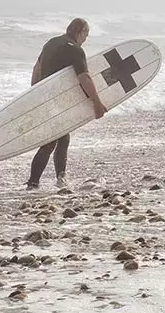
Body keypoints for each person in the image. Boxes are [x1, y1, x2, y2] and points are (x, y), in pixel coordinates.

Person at [25, 17, 107, 189]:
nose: (86, 39)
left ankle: (61, 179)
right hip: (57, 100)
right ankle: (33, 183)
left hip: (45, 97)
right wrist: (97, 103)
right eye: (86, 34)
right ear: (81, 31)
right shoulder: (76, 51)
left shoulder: (51, 43)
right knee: (50, 142)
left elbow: (36, 69)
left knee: (63, 137)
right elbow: (84, 77)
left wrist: (35, 94)